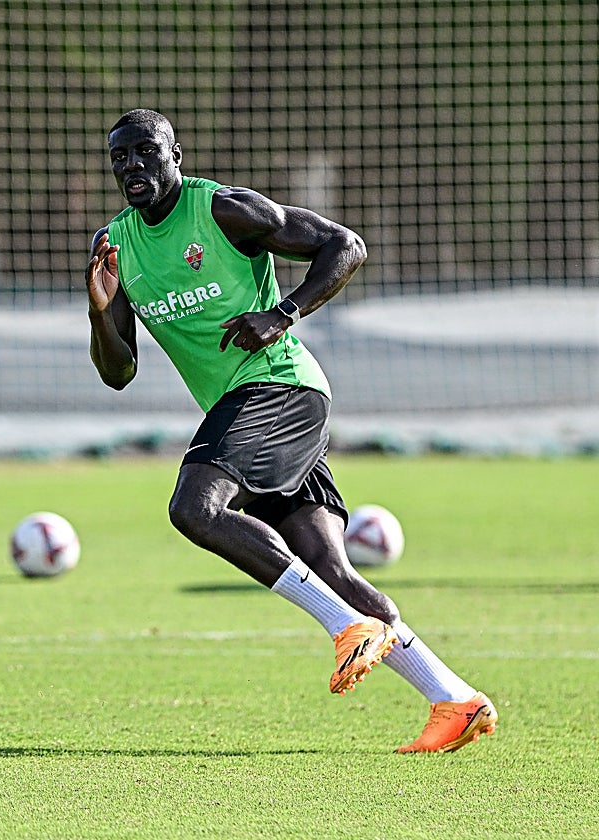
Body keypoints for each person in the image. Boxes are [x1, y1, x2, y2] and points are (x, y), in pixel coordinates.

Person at [85, 109, 496, 753]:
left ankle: (344, 628)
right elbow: (118, 372)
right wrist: (100, 307)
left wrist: (282, 314)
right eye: (119, 159)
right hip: (251, 408)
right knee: (330, 567)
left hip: (281, 387)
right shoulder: (115, 245)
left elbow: (345, 246)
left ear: (176, 155)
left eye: (145, 152)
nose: (132, 167)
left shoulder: (223, 212)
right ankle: (455, 699)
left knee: (194, 508)